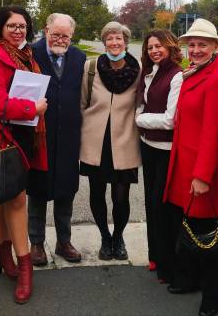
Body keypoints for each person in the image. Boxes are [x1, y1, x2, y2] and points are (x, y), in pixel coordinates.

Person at [0, 5, 48, 303]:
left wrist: (35, 110)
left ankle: (1, 250)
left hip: (27, 133)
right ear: (0, 28)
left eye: (22, 26)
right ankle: (23, 263)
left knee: (6, 193)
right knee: (17, 198)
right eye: (12, 26)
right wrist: (34, 108)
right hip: (4, 136)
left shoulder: (27, 55)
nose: (18, 30)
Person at [163, 19, 218, 316]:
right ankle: (190, 279)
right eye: (192, 44)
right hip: (185, 166)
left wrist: (202, 176)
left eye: (203, 44)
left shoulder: (216, 80)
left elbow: (214, 132)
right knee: (189, 227)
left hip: (203, 171)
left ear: (216, 46)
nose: (196, 49)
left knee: (208, 236)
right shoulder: (194, 73)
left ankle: (215, 297)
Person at [27, 13, 86, 266]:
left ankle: (64, 241)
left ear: (72, 36)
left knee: (66, 191)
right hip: (40, 134)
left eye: (66, 36)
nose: (60, 39)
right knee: (38, 191)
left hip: (69, 135)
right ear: (46, 30)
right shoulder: (30, 53)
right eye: (56, 34)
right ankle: (37, 243)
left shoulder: (79, 58)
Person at [80, 21, 141, 260]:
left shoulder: (138, 70)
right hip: (95, 142)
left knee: (121, 196)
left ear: (126, 42)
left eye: (119, 39)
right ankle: (105, 236)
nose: (114, 43)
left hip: (125, 141)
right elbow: (82, 103)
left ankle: (119, 236)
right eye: (110, 39)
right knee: (96, 193)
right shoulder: (91, 67)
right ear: (104, 42)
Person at [135, 29, 183, 282]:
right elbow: (142, 102)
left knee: (161, 206)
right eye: (150, 47)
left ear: (169, 46)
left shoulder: (176, 75)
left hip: (165, 150)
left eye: (159, 46)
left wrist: (140, 119)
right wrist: (142, 119)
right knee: (150, 205)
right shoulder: (149, 73)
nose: (154, 50)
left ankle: (168, 264)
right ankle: (155, 257)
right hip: (147, 146)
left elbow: (170, 120)